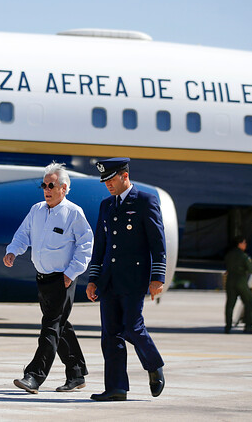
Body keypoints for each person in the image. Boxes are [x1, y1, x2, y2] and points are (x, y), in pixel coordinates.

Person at [4, 162, 93, 394]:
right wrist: (13, 250)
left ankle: (34, 376)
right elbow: (23, 233)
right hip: (42, 278)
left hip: (63, 279)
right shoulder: (37, 210)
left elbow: (86, 244)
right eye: (44, 185)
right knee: (60, 326)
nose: (47, 189)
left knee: (51, 327)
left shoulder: (74, 213)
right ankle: (76, 372)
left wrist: (71, 273)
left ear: (63, 188)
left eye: (52, 185)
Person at [85, 157, 166, 402]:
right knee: (110, 334)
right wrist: (93, 279)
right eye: (105, 181)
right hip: (109, 280)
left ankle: (154, 365)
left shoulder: (145, 200)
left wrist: (157, 277)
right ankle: (116, 388)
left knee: (132, 326)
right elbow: (101, 244)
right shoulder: (106, 205)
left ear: (125, 176)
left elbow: (157, 241)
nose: (108, 184)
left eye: (111, 179)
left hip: (134, 277)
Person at [224, 237, 252, 333]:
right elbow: (251, 269)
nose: (245, 245)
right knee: (249, 302)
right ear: (239, 244)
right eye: (244, 243)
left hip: (230, 281)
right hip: (240, 281)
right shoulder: (244, 256)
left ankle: (228, 326)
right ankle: (248, 326)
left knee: (230, 305)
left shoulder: (228, 255)